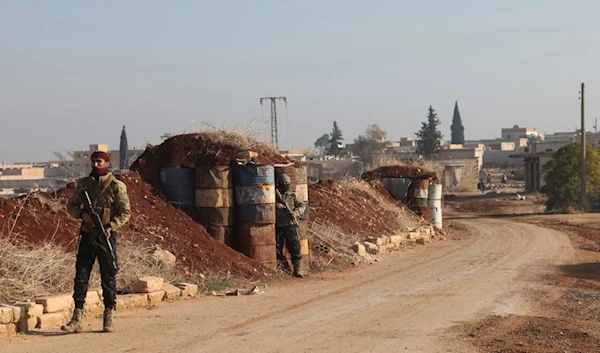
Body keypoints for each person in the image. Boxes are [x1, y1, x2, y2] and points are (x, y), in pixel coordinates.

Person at [62, 151, 131, 333]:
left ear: (107, 163)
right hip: (87, 235)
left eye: (99, 161)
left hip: (106, 235)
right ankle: (77, 317)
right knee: (81, 275)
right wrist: (83, 215)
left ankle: (108, 315)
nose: (95, 165)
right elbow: (71, 206)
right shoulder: (84, 184)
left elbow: (125, 212)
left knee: (108, 275)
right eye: (93, 162)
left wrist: (110, 226)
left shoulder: (116, 186)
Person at [275, 173, 306, 278]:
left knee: (294, 247)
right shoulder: (274, 193)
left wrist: (295, 213)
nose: (284, 186)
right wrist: (275, 205)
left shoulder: (293, 194)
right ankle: (282, 268)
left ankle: (297, 269)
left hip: (290, 224)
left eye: (286, 184)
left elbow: (302, 206)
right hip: (278, 225)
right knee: (277, 248)